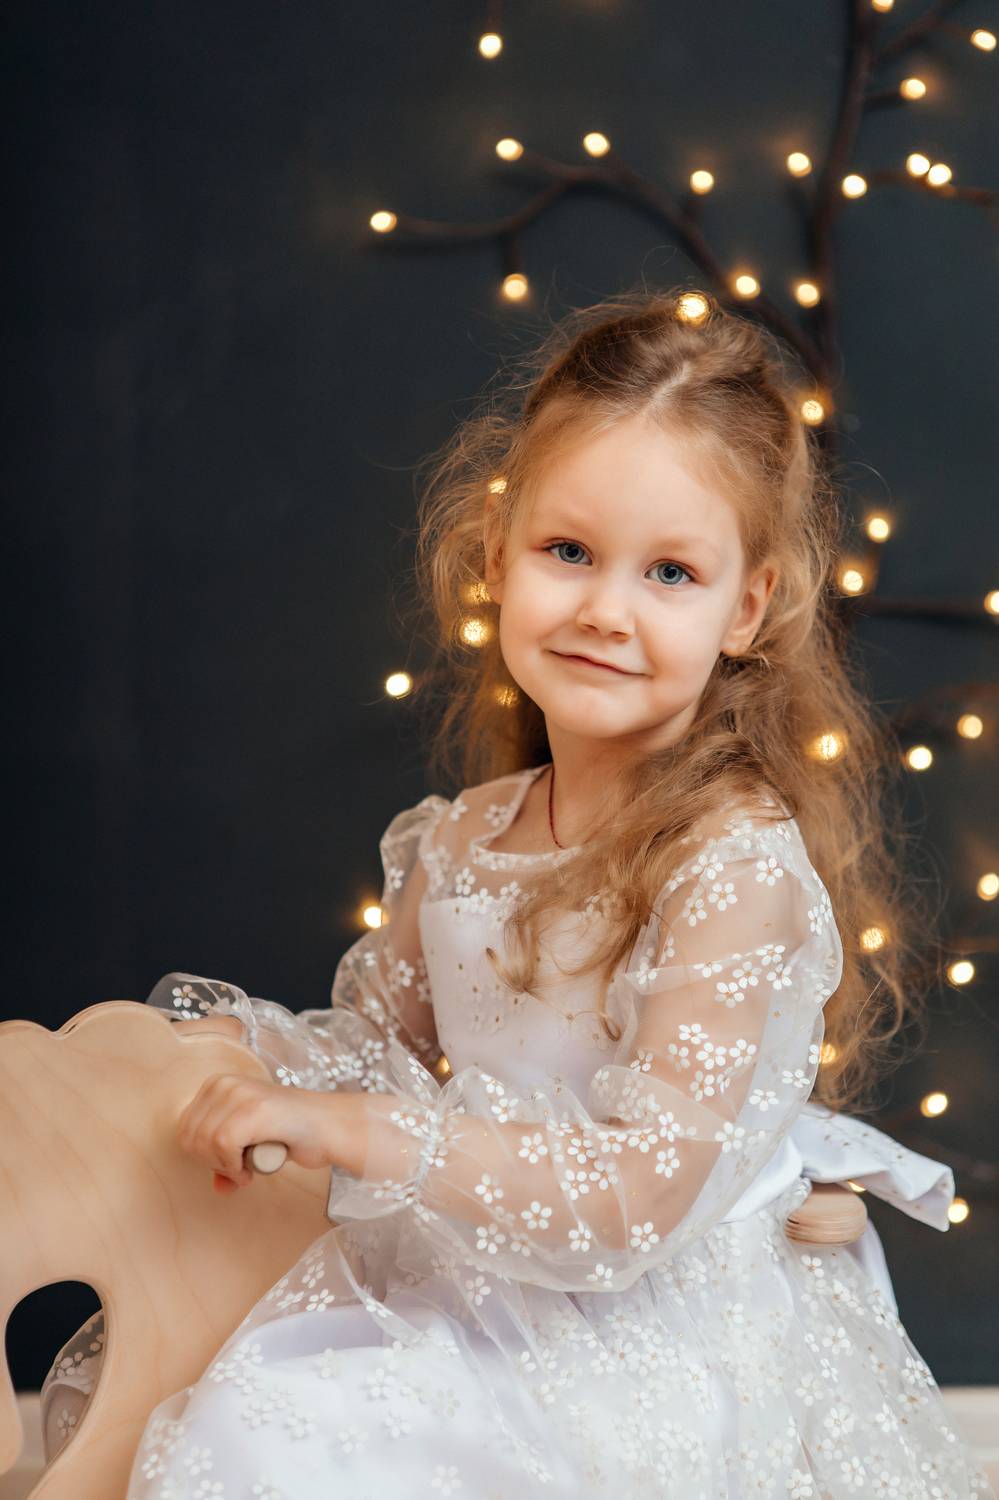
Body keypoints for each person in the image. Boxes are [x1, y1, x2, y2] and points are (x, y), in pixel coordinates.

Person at [40, 288, 995, 1498]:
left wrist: (360, 1134)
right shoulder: (463, 837)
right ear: (496, 552)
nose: (605, 610)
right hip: (472, 1264)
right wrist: (254, 1063)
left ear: (746, 608)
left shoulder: (731, 865)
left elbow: (637, 1194)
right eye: (568, 553)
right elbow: (380, 1052)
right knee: (244, 1408)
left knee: (303, 1443)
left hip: (646, 1315)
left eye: (670, 572)